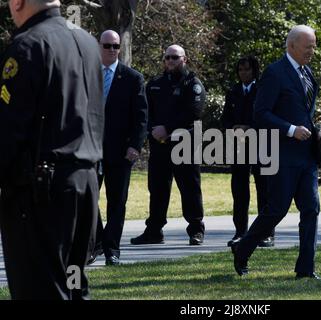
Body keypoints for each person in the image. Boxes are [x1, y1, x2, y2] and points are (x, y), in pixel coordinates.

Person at [0, 0, 104, 299]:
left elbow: (9, 131)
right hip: (85, 186)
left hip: (41, 194)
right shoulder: (86, 42)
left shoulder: (28, 46)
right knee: (73, 286)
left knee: (41, 290)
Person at [231, 25, 321, 279]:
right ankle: (243, 248)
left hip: (307, 156)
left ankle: (306, 269)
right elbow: (260, 114)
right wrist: (291, 129)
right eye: (308, 46)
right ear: (292, 45)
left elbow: (304, 111)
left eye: (313, 46)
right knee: (277, 210)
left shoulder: (308, 73)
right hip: (283, 155)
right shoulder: (275, 73)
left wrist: (313, 129)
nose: (312, 51)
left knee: (311, 210)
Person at [130, 45, 206, 246]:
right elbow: (146, 111)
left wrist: (168, 128)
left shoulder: (193, 84)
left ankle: (196, 230)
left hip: (185, 144)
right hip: (160, 145)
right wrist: (154, 130)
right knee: (157, 188)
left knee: (190, 188)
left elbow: (194, 113)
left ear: (184, 60)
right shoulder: (155, 84)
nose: (170, 61)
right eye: (167, 58)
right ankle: (154, 230)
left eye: (175, 57)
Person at [88, 30, 148, 266]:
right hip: (90, 149)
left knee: (116, 201)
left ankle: (112, 249)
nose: (112, 50)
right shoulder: (87, 73)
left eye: (115, 46)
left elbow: (141, 117)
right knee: (87, 199)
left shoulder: (132, 78)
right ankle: (98, 241)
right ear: (98, 46)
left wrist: (135, 145)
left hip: (120, 150)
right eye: (107, 45)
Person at [221, 56, 274, 248]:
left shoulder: (263, 90)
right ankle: (240, 232)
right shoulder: (233, 91)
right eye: (241, 70)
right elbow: (225, 119)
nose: (244, 73)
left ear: (255, 71)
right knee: (240, 191)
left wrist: (249, 128)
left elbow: (267, 116)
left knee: (264, 190)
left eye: (247, 70)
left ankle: (265, 233)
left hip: (263, 145)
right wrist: (233, 128)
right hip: (239, 147)